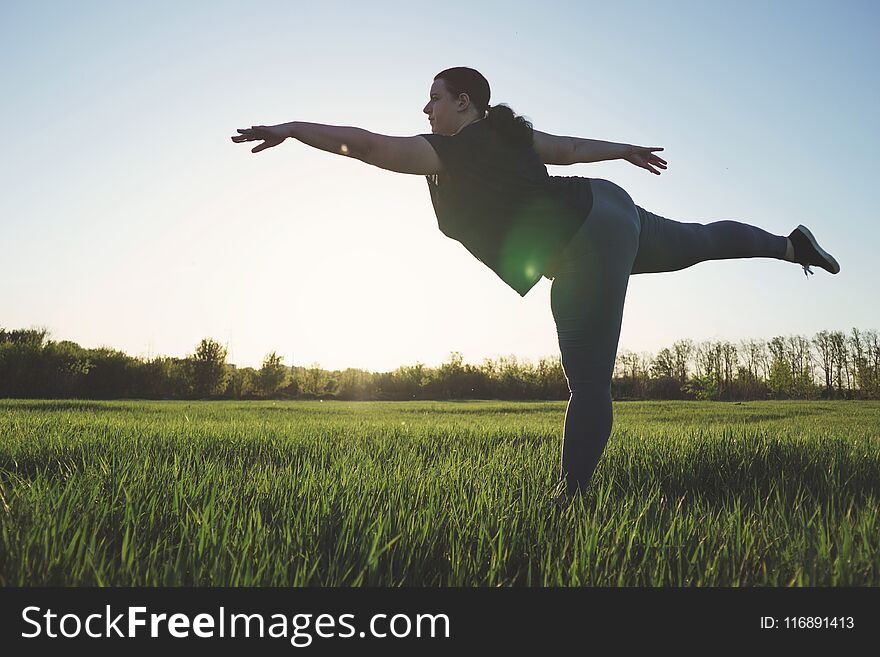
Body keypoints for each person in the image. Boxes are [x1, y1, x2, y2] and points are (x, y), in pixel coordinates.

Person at [231, 66, 840, 505]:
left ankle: (570, 501)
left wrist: (292, 127)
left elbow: (365, 146)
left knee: (589, 381)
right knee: (699, 242)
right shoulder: (509, 136)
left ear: (464, 102)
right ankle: (791, 246)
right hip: (607, 210)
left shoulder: (455, 150)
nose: (426, 109)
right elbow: (569, 149)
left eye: (434, 98)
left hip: (581, 243)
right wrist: (623, 151)